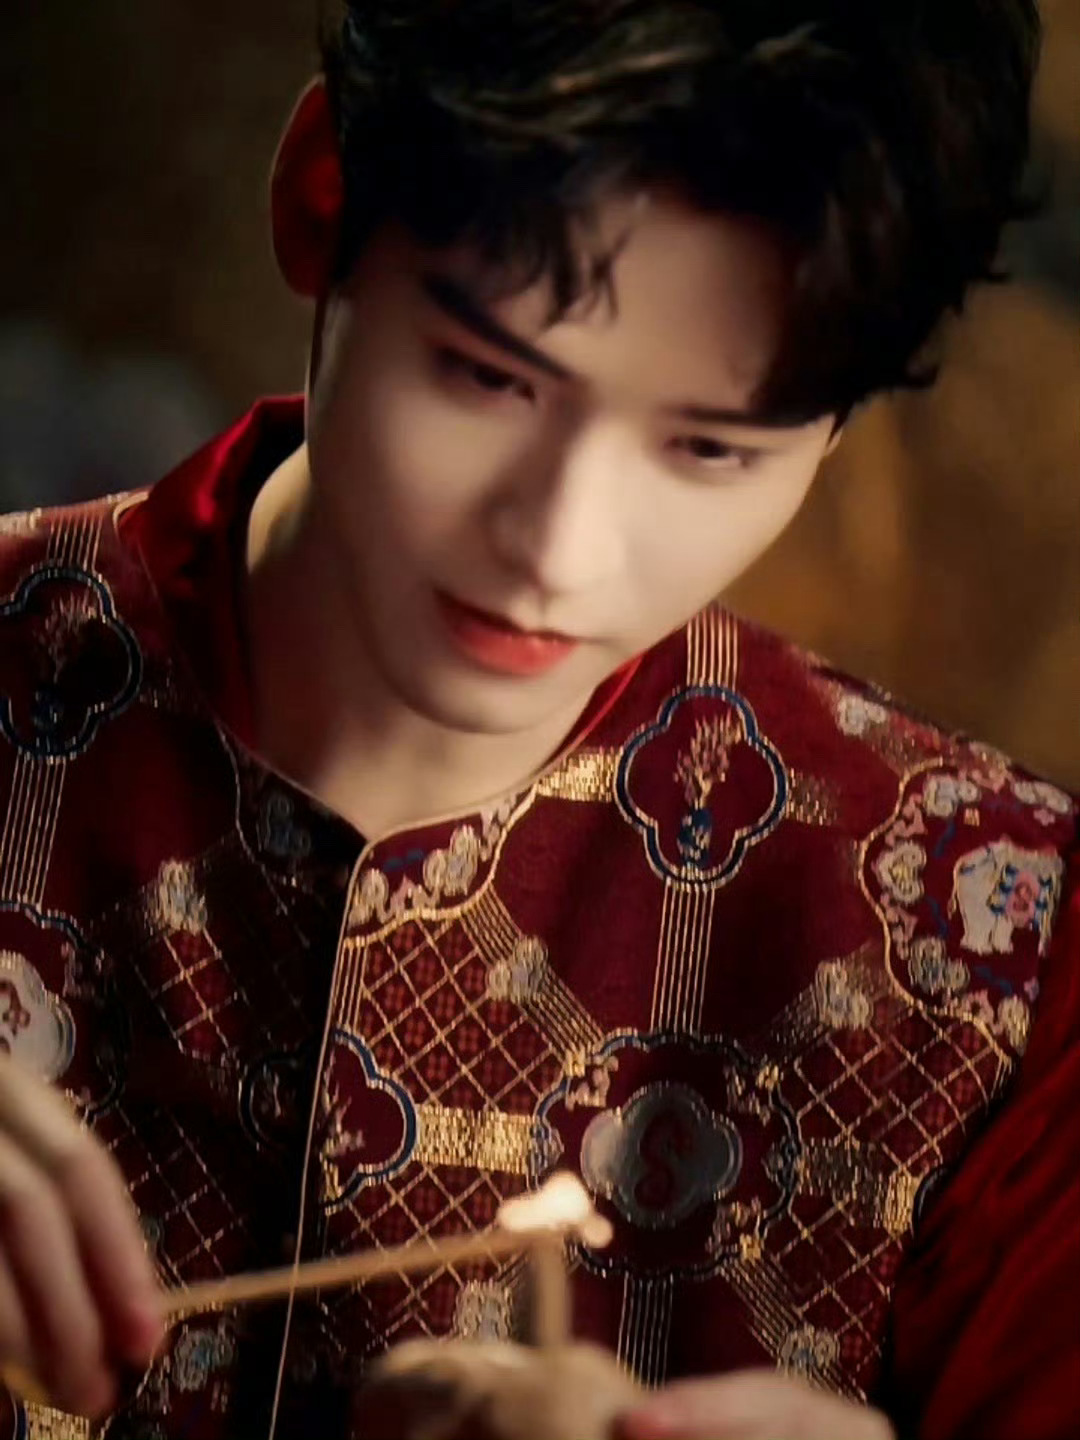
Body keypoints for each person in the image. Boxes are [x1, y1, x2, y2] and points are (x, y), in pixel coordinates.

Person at [0, 2, 1075, 1437]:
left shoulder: (1010, 957)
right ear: (322, 199)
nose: (557, 550)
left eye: (709, 448)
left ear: (838, 421)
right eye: (488, 376)